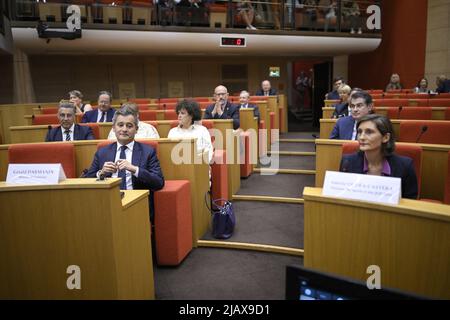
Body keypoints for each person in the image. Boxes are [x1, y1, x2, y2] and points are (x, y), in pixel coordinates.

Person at [85, 106, 165, 221]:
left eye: (129, 126)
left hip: (137, 205)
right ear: (113, 128)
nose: (124, 129)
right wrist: (101, 173)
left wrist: (135, 169)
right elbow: (88, 180)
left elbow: (159, 182)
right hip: (107, 205)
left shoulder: (148, 152)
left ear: (136, 129)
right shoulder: (102, 152)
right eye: (120, 125)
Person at [339, 114, 418, 199]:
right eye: (359, 132)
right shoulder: (347, 162)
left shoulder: (405, 166)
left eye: (369, 132)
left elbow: (410, 201)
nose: (361, 137)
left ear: (385, 137)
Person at [168, 99, 213, 163]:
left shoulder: (202, 130)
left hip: (199, 166)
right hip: (178, 168)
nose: (179, 116)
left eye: (182, 113)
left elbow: (208, 152)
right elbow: (169, 153)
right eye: (178, 113)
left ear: (191, 115)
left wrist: (202, 165)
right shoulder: (173, 132)